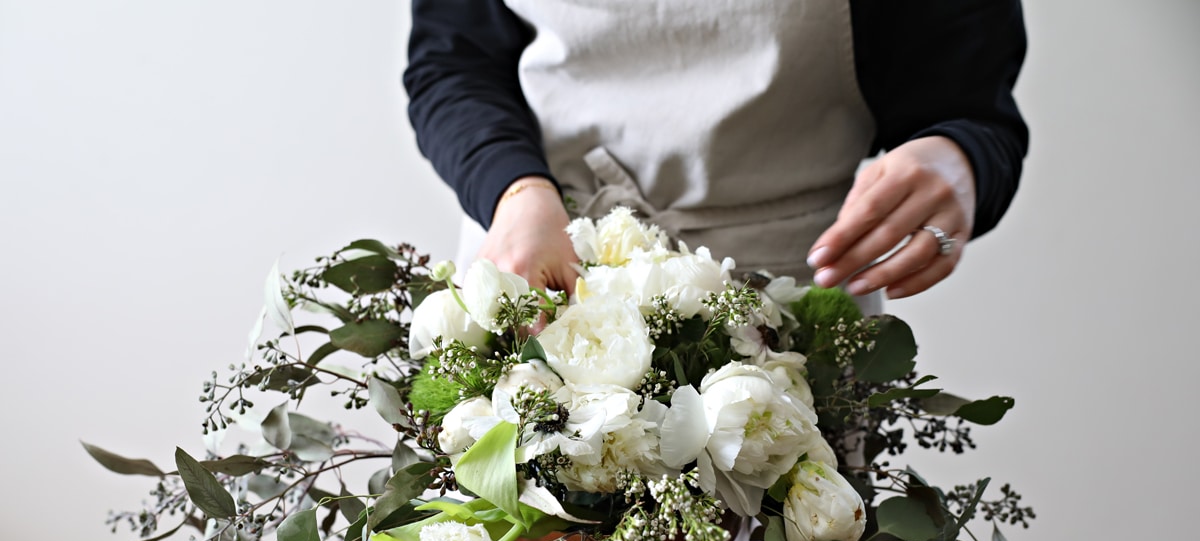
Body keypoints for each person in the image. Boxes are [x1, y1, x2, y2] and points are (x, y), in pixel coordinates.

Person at [403, 0, 1028, 306]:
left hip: (785, 308)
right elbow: (453, 63)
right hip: (545, 262)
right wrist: (516, 193)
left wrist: (961, 154)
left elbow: (971, 108)